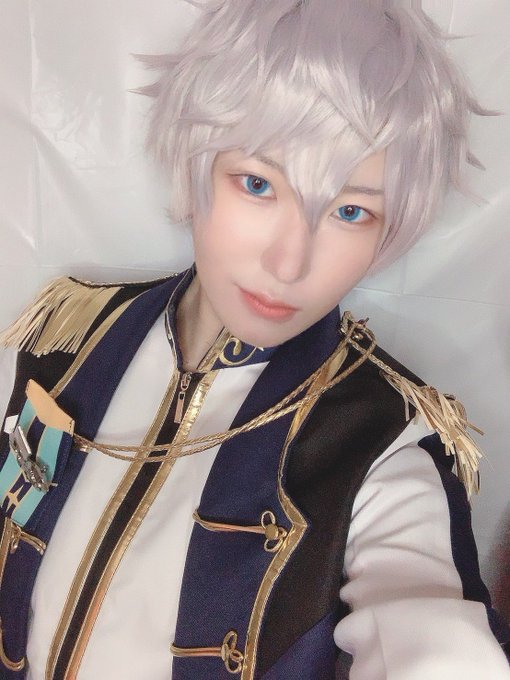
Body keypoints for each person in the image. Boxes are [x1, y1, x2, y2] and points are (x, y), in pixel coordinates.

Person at [0, 0, 508, 678]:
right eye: (258, 183)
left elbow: (427, 630)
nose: (290, 263)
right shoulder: (67, 335)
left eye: (351, 210)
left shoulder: (384, 440)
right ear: (197, 165)